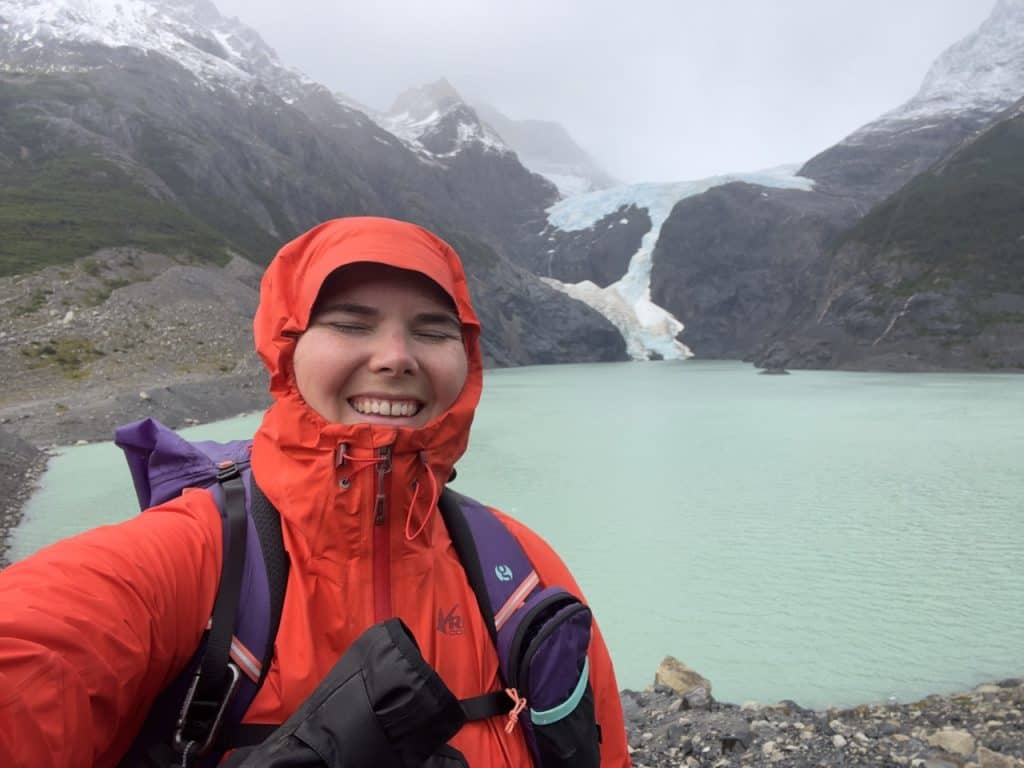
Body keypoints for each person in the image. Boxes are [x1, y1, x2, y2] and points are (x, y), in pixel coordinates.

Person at [0, 216, 631, 767]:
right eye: (351, 324)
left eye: (434, 331)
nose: (395, 357)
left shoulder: (521, 575)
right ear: (287, 349)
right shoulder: (190, 559)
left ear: (467, 361)